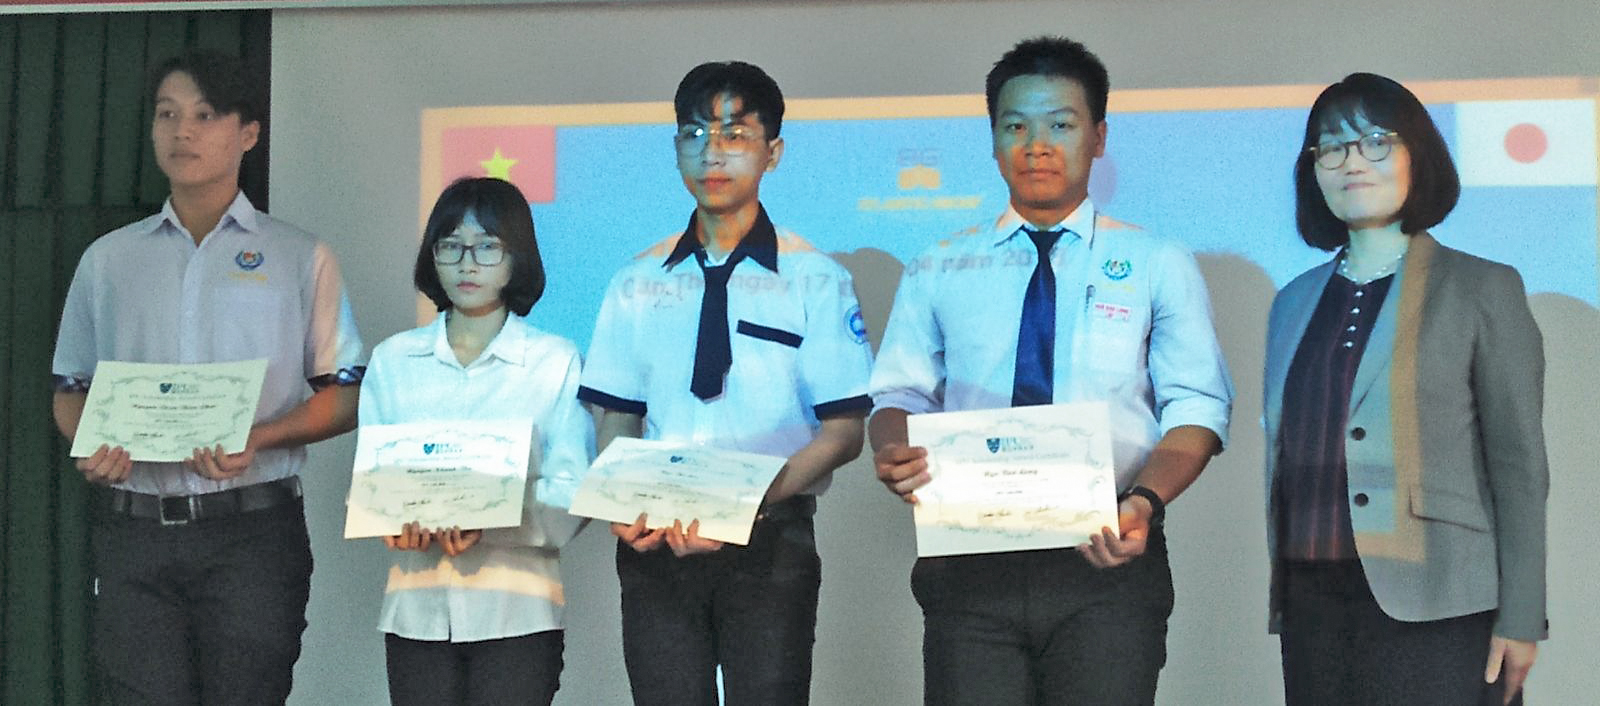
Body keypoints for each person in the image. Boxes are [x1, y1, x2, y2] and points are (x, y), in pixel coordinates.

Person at [867, 36, 1234, 705]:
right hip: (970, 560)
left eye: (1060, 125)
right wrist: (892, 447)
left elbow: (1198, 408)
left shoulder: (1155, 261)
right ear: (993, 140)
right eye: (1016, 127)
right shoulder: (938, 265)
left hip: (1107, 556)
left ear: (1098, 137)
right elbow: (899, 391)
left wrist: (1143, 503)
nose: (1036, 145)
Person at [49, 49, 365, 704]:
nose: (182, 131)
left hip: (252, 536)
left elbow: (345, 396)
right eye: (167, 115)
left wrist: (259, 438)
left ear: (247, 132)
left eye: (204, 114)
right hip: (134, 531)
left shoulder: (299, 256)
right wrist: (92, 443)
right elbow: (71, 388)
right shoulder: (109, 260)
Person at [577, 60, 874, 705]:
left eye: (735, 134)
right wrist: (622, 501)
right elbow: (618, 416)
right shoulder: (636, 280)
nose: (712, 152)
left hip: (771, 541)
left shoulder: (815, 278)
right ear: (676, 148)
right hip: (657, 544)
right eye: (694, 134)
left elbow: (844, 432)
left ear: (773, 152)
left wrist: (743, 504)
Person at [1265, 72, 1547, 706]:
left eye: (1375, 142)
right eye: (1331, 147)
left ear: (1417, 155)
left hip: (1440, 597)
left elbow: (1519, 465)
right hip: (1313, 598)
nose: (1352, 162)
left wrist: (1523, 615)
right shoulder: (1292, 302)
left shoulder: (1481, 287)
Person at [358, 176, 593, 705]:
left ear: (516, 258)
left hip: (517, 612)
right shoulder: (394, 361)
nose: (467, 264)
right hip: (416, 612)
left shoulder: (554, 361)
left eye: (487, 247)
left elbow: (573, 491)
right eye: (451, 246)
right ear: (432, 256)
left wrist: (490, 522)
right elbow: (375, 483)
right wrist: (392, 523)